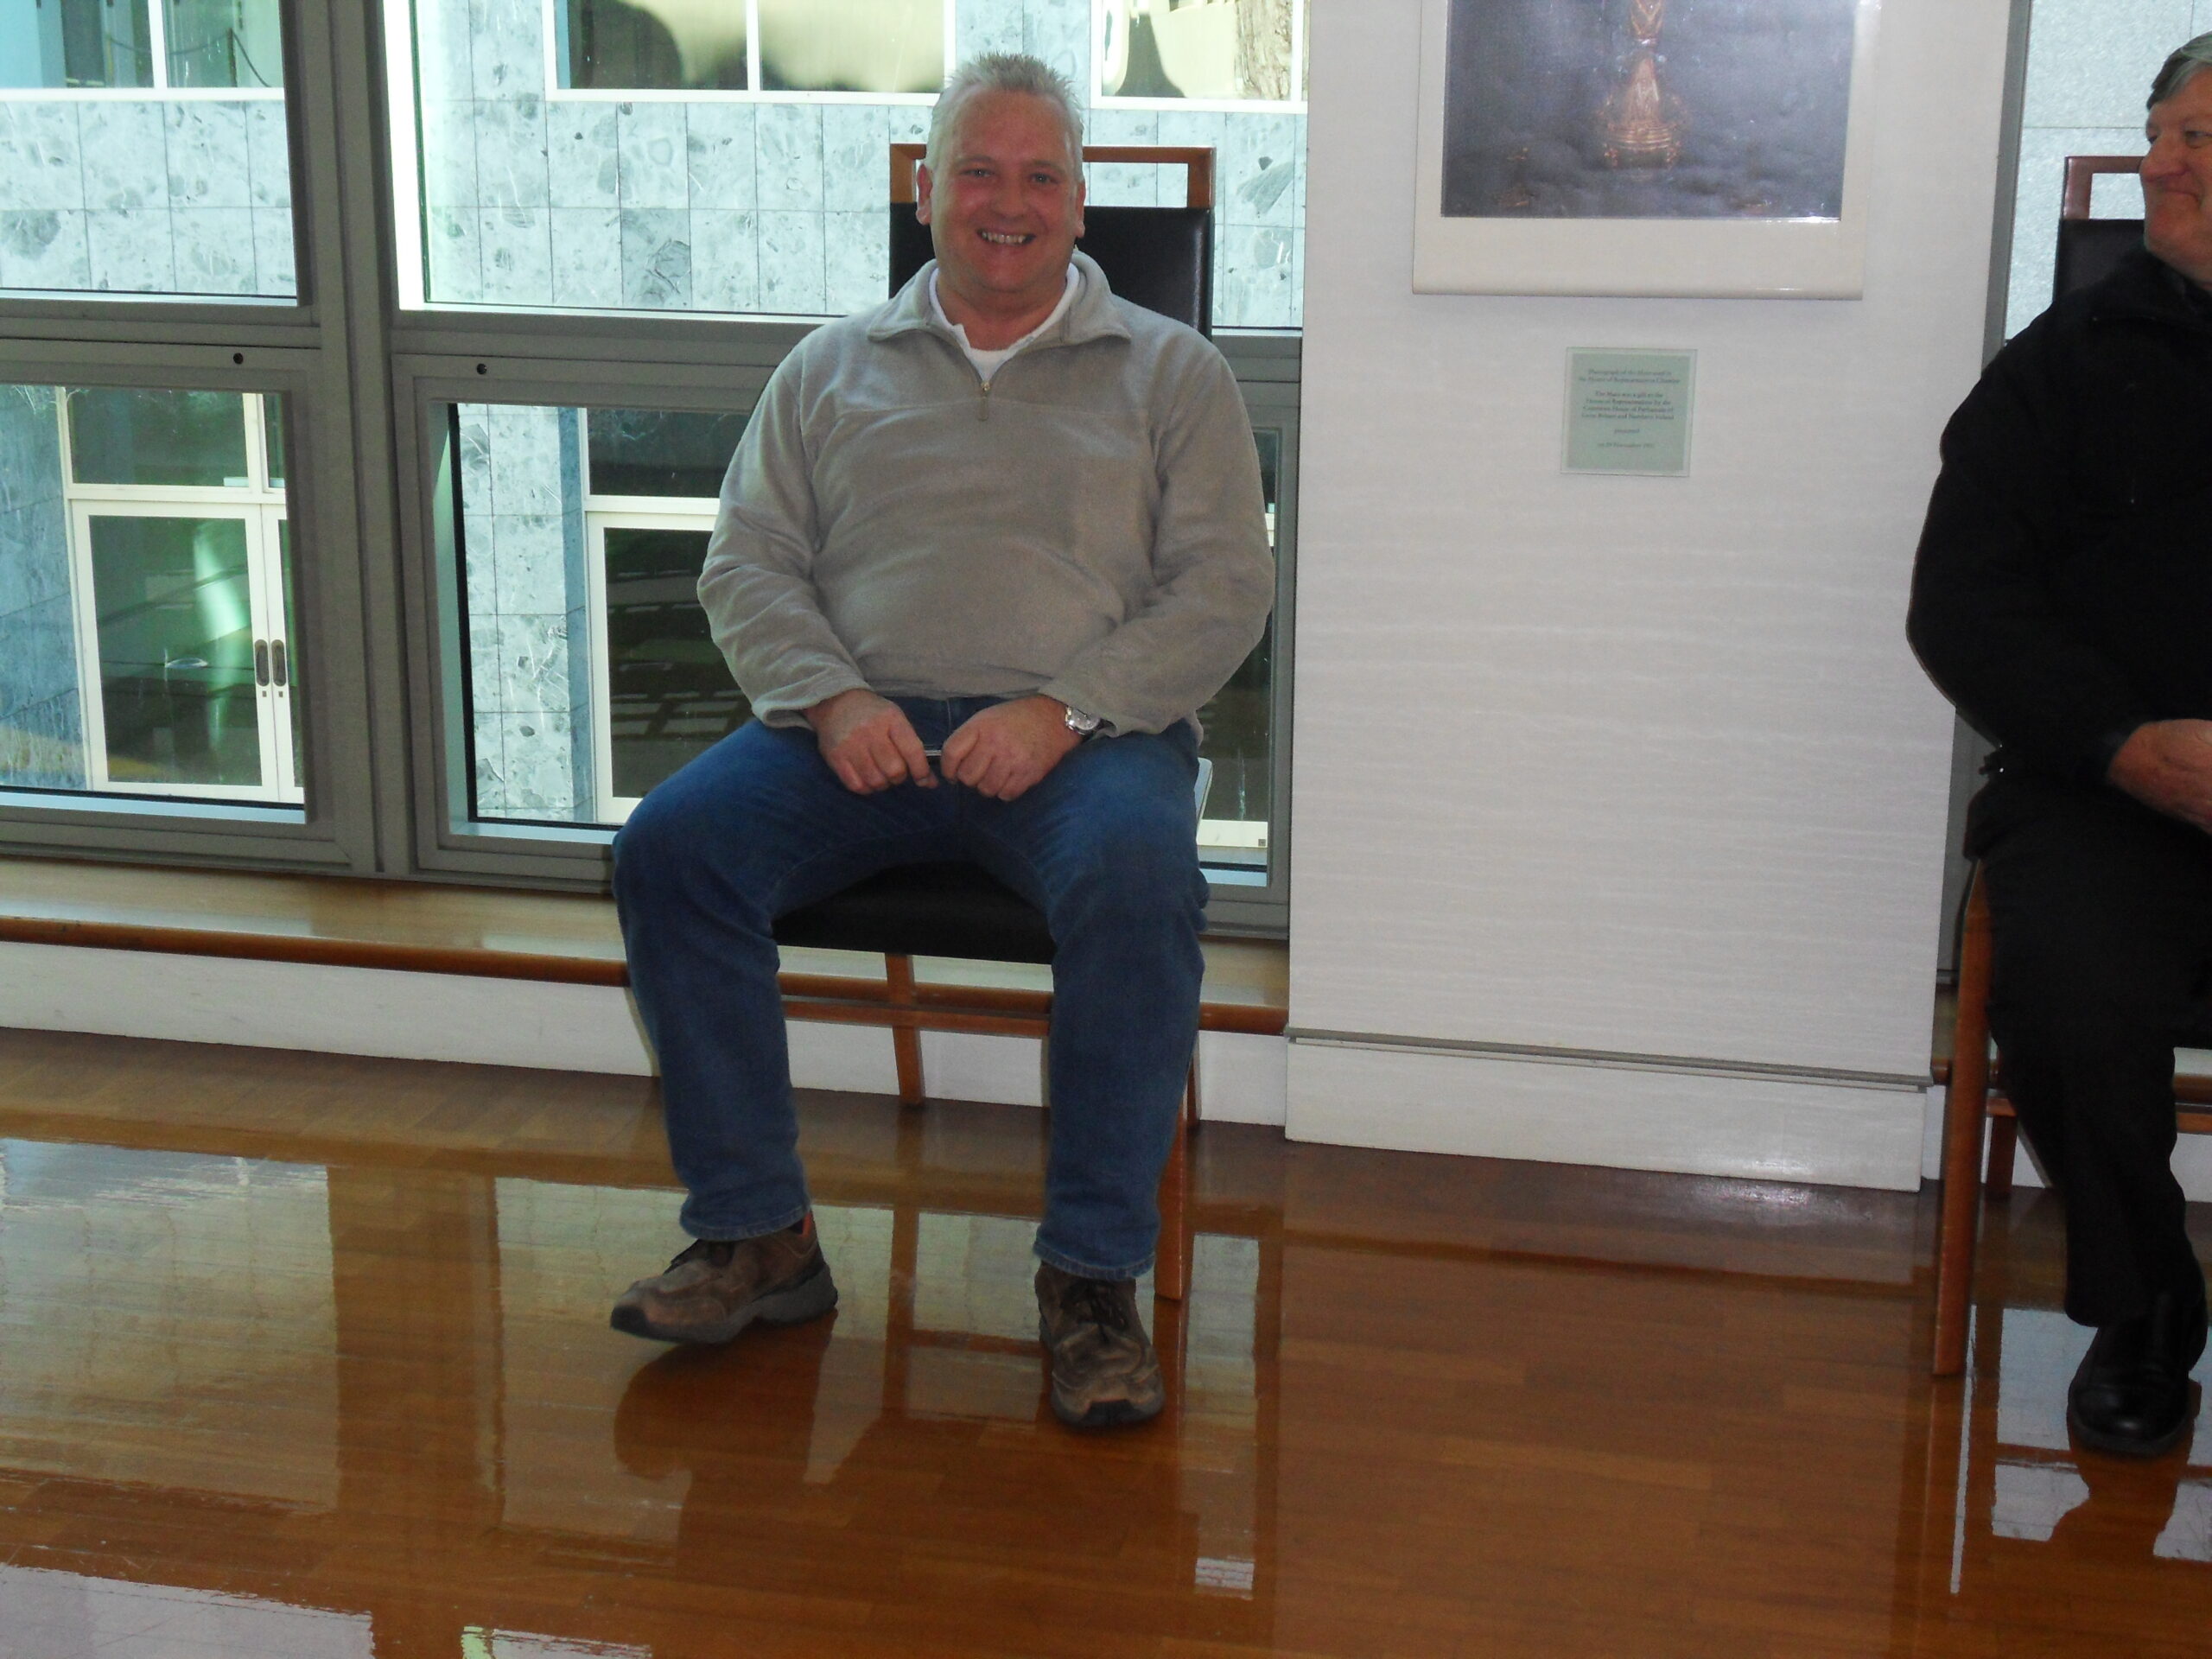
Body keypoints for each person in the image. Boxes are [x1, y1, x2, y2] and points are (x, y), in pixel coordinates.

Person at [605, 53, 1274, 1430]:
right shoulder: (826, 369)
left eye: (1039, 176)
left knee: (1140, 882)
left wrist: (1065, 708)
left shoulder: (1175, 375)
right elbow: (748, 563)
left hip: (1086, 741)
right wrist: (832, 699)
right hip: (852, 733)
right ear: (927, 191)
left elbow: (1224, 589)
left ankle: (1090, 1280)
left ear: (1080, 201)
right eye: (978, 171)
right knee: (670, 850)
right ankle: (758, 1236)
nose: (1007, 203)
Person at [1908, 35, 2212, 1456]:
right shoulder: (2061, 367)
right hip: (2109, 791)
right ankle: (2145, 1306)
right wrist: (2122, 744)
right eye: (2160, 134)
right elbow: (1962, 610)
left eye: (2198, 138)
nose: (2161, 164)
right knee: (2068, 991)